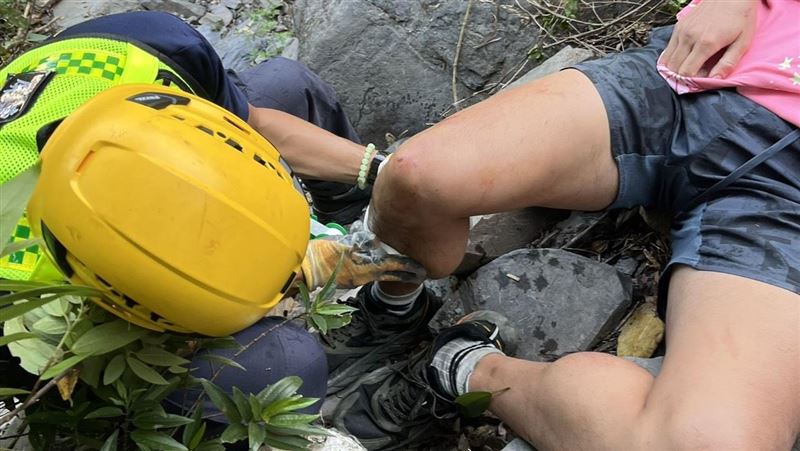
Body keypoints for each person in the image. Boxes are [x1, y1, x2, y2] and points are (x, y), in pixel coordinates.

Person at [334, 0, 800, 449]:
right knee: (418, 178)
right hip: (706, 76)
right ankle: (394, 306)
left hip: (785, 203)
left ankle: (460, 364)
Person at [0, 10, 429, 426]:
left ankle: (354, 222)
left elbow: (255, 123)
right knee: (284, 363)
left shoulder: (150, 50)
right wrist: (284, 279)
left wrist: (387, 174)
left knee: (288, 84)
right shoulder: (23, 304)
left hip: (127, 91)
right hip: (72, 326)